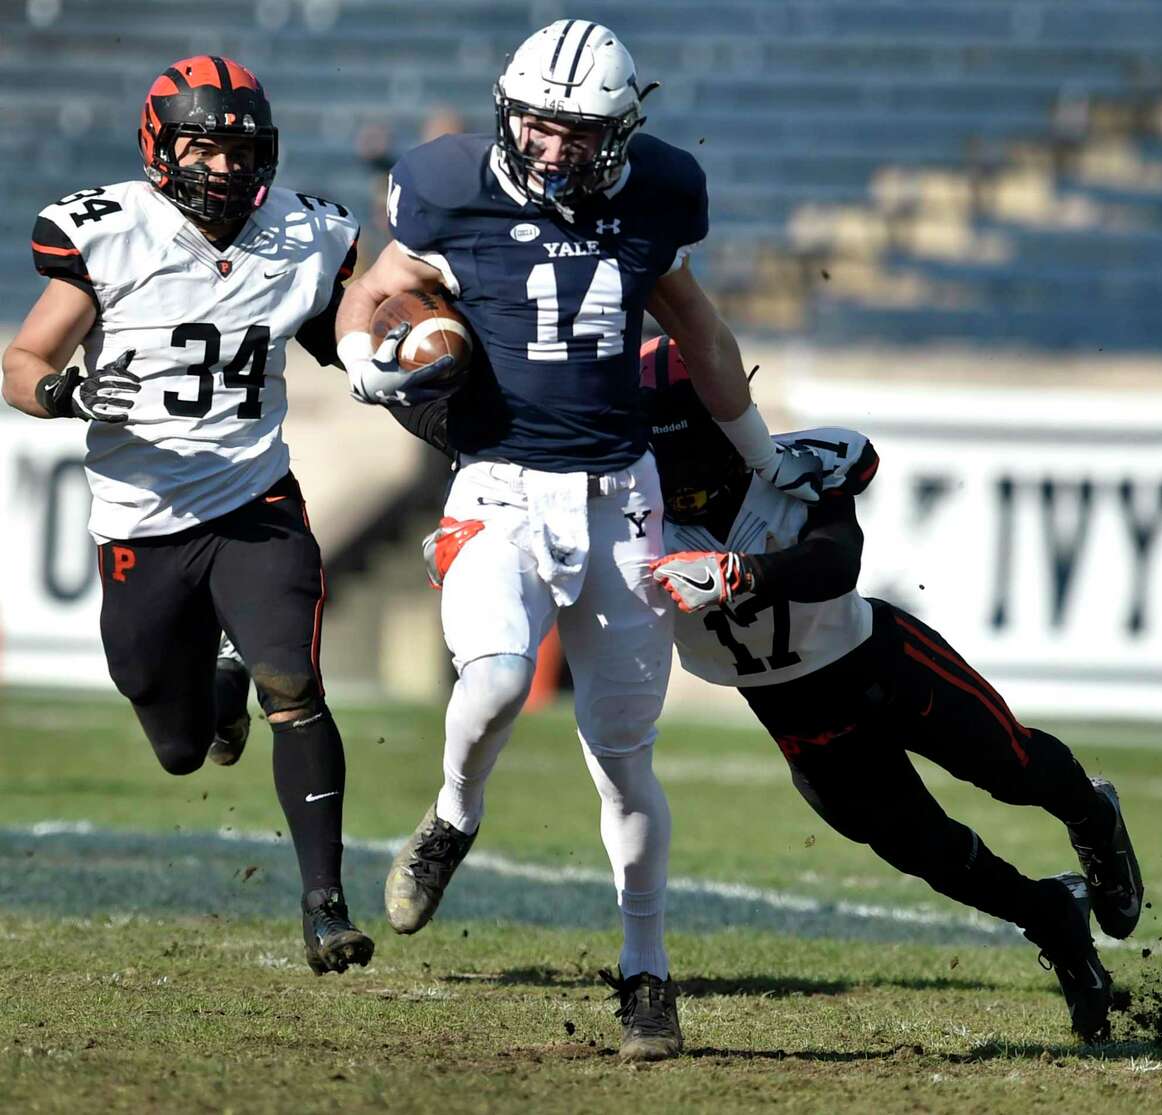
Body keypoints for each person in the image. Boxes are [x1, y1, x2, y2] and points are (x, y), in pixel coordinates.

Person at [333, 20, 824, 1061]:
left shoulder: (656, 192)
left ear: (622, 132)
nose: (555, 152)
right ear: (511, 116)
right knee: (500, 677)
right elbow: (374, 292)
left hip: (618, 496)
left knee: (623, 757)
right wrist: (364, 360)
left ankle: (646, 972)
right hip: (501, 486)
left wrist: (761, 449)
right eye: (540, 130)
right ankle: (451, 816)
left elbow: (699, 332)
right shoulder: (447, 184)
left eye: (580, 134)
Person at [641, 336, 1143, 1042]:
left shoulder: (788, 466)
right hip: (798, 722)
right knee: (933, 854)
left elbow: (835, 561)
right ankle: (1056, 919)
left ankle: (1092, 815)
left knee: (1011, 765)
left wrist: (744, 574)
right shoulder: (635, 520)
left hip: (880, 663)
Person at [1, 55, 374, 977]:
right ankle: (216, 686)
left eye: (241, 150)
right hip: (142, 517)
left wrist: (402, 356)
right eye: (203, 146)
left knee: (296, 683)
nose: (223, 168)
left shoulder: (306, 234)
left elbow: (349, 339)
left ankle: (324, 903)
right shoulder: (113, 232)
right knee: (175, 746)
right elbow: (20, 359)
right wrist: (67, 390)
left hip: (256, 501)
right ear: (161, 147)